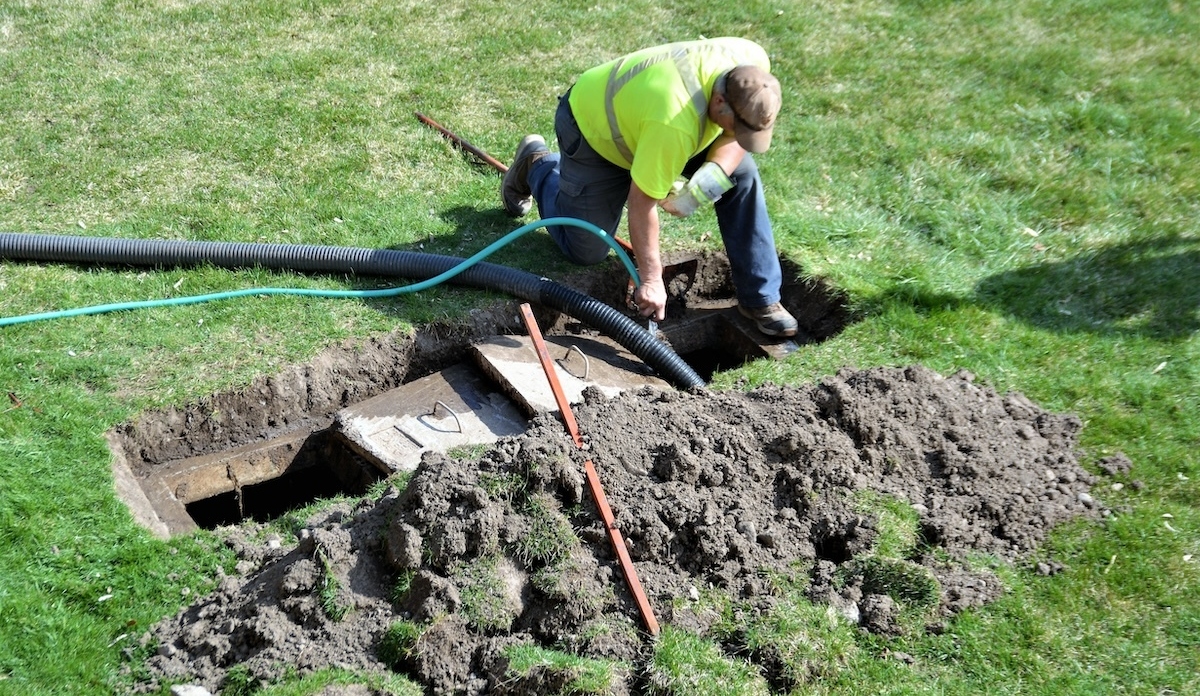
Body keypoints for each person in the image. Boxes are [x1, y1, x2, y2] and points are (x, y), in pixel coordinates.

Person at [501, 37, 798, 337]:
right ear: (719, 102)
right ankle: (537, 165)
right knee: (586, 250)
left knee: (742, 176)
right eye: (738, 127)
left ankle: (760, 298)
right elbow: (641, 203)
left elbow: (735, 143)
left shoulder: (752, 65)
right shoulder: (673, 122)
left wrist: (703, 187)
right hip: (596, 132)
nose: (740, 135)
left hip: (647, 121)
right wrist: (653, 279)